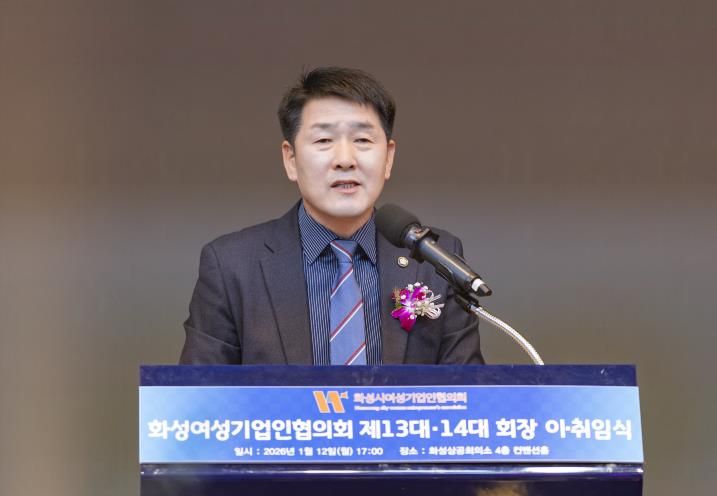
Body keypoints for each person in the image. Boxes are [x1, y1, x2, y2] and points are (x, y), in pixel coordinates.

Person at [180, 67, 484, 365]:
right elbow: (199, 393)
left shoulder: (432, 259)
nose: (345, 160)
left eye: (362, 140)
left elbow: (471, 390)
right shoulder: (232, 266)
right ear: (291, 159)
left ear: (388, 158)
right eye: (324, 141)